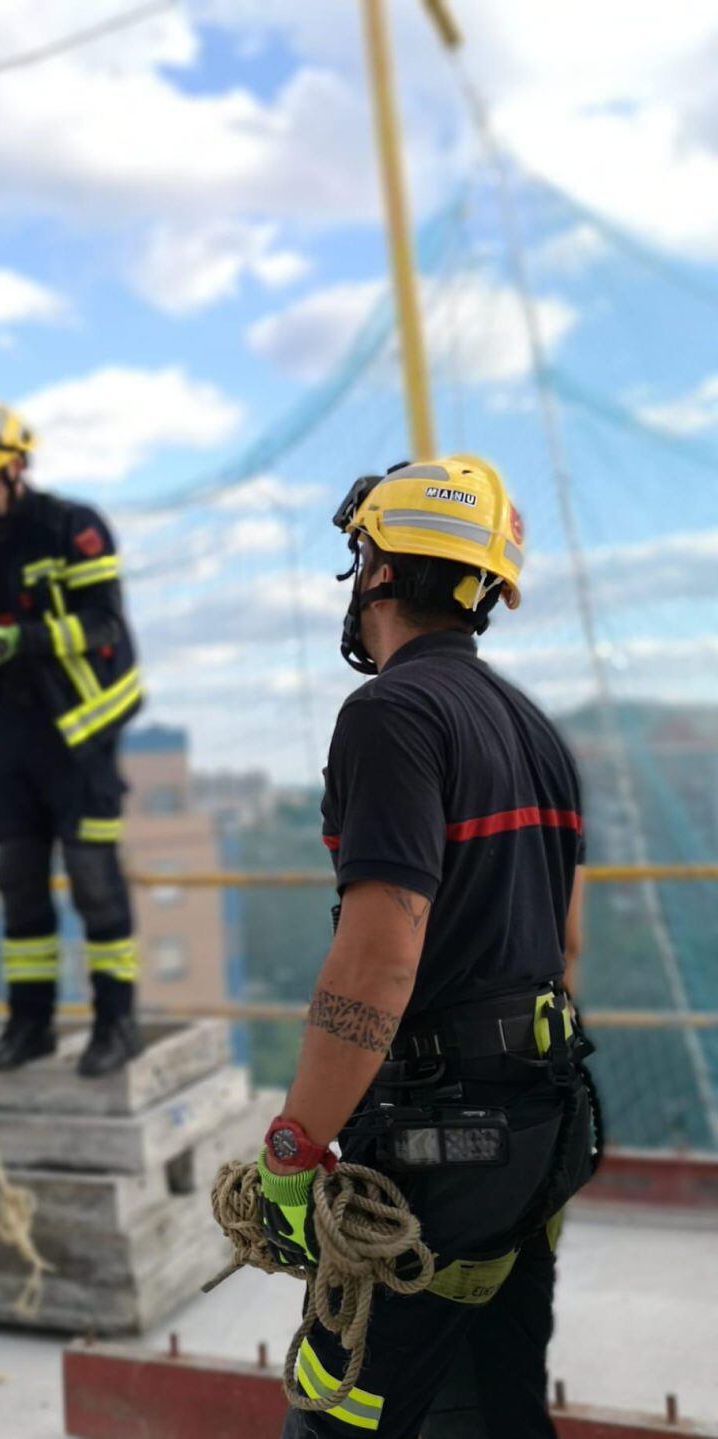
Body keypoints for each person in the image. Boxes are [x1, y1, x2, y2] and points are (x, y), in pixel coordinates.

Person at [255, 457, 599, 1438]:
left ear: (375, 567)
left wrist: (293, 1150)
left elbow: (377, 959)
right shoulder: (536, 732)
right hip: (542, 1124)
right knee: (492, 1409)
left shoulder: (393, 715)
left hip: (434, 1147)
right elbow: (563, 943)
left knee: (341, 1411)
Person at [0, 395, 144, 1077]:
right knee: (18, 883)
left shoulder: (73, 526)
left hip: (80, 736)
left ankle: (116, 1023)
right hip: (13, 739)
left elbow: (103, 623)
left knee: (93, 881)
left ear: (18, 465)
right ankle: (30, 1025)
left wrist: (17, 639)